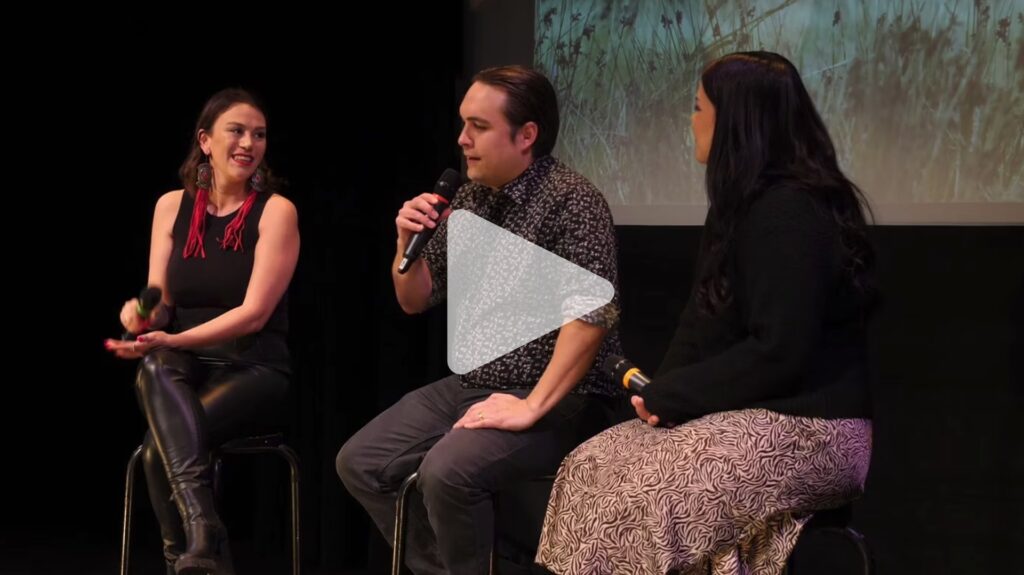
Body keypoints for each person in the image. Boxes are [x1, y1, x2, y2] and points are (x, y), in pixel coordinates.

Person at [536, 51, 878, 575]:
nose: (691, 121)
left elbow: (780, 350)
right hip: (745, 412)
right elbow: (700, 321)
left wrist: (678, 395)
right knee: (589, 467)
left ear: (735, 121)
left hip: (816, 426)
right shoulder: (735, 206)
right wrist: (659, 399)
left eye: (699, 108)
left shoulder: (793, 211)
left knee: (649, 496)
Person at [336, 65, 622, 575]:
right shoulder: (470, 199)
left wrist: (531, 406)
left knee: (447, 473)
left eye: (479, 127)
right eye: (463, 124)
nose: (463, 139)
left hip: (560, 395)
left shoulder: (572, 201)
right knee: (361, 462)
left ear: (526, 135)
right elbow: (414, 299)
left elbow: (590, 316)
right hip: (476, 384)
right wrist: (407, 245)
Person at [105, 88, 300, 575]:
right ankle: (203, 540)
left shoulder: (276, 211)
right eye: (236, 131)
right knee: (155, 363)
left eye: (259, 134)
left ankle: (190, 554)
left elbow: (255, 313)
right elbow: (159, 298)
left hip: (252, 364)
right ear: (205, 141)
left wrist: (172, 340)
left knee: (157, 453)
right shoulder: (171, 206)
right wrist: (141, 315)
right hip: (187, 363)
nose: (248, 143)